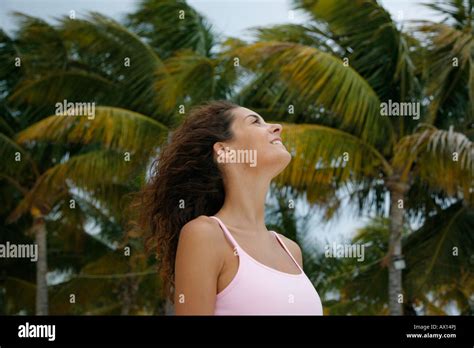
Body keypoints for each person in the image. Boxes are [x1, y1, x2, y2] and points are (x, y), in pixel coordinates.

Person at [137, 100, 323, 315]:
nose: (276, 127)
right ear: (224, 151)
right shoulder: (205, 235)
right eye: (255, 122)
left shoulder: (290, 250)